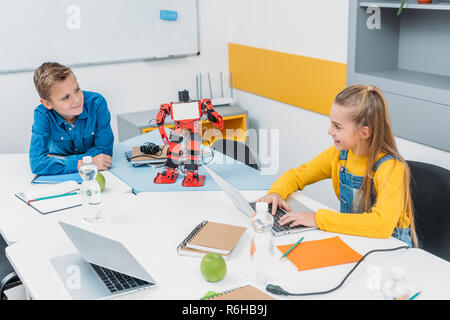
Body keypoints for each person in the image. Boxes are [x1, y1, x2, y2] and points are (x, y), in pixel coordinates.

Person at [258, 84, 417, 247]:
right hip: (356, 240)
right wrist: (276, 192)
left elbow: (381, 225)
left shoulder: (391, 168)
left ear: (364, 132)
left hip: (392, 248)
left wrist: (317, 219)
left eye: (337, 126)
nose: (330, 131)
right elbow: (297, 176)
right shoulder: (339, 156)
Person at [29, 62, 114, 175]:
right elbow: (37, 163)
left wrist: (60, 162)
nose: (77, 100)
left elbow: (104, 152)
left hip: (69, 168)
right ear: (47, 103)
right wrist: (83, 163)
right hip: (70, 176)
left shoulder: (97, 103)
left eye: (77, 90)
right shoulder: (42, 115)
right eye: (65, 97)